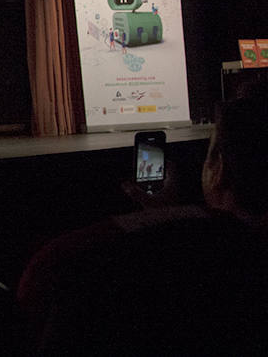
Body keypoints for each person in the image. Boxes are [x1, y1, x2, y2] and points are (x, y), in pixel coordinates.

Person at [16, 93, 268, 353]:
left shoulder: (74, 262)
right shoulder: (248, 259)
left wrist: (163, 220)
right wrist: (166, 213)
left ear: (220, 170)